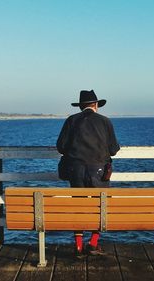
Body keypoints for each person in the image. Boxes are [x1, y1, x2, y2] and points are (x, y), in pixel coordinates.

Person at [56, 89, 120, 257]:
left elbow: (61, 147)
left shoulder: (71, 121)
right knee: (100, 206)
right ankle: (92, 243)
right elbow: (113, 150)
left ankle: (78, 246)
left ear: (81, 107)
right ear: (96, 105)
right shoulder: (105, 122)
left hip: (76, 170)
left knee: (79, 207)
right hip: (99, 171)